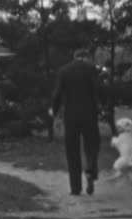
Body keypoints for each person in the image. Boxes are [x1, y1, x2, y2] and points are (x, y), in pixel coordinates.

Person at [49, 49, 104, 196]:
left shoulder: (64, 71)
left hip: (71, 116)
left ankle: (75, 188)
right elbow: (98, 90)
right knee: (92, 144)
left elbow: (57, 93)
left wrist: (54, 110)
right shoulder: (91, 69)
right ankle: (90, 170)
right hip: (89, 115)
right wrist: (101, 107)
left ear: (74, 57)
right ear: (86, 57)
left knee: (72, 151)